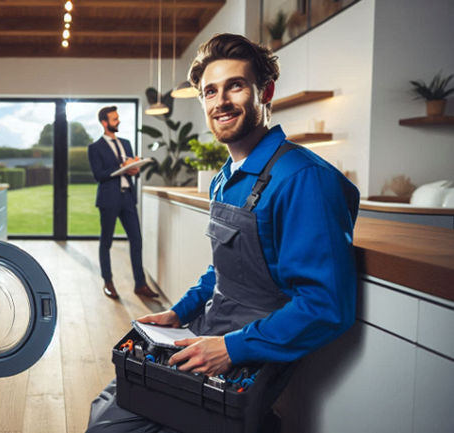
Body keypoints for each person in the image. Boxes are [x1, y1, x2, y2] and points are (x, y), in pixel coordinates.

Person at [86, 33, 359, 432]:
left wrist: (232, 348)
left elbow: (325, 306)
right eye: (210, 92)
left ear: (265, 92)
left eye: (235, 85)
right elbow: (224, 270)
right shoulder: (224, 179)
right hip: (207, 330)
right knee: (110, 403)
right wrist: (179, 312)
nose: (221, 101)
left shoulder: (305, 180)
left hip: (253, 350)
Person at [88, 106, 159, 300]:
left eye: (118, 118)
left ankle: (140, 284)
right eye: (114, 119)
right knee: (107, 242)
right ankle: (108, 282)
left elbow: (131, 169)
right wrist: (121, 166)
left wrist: (135, 169)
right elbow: (99, 175)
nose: (118, 121)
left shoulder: (126, 143)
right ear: (104, 122)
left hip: (128, 197)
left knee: (136, 240)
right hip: (109, 199)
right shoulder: (95, 148)